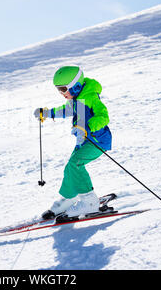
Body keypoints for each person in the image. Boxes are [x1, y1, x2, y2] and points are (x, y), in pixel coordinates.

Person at [34, 66, 112, 220]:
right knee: (70, 167)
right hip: (83, 141)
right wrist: (47, 113)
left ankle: (90, 202)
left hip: (98, 140)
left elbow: (103, 116)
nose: (62, 93)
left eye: (64, 89)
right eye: (59, 90)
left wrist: (87, 127)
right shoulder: (75, 99)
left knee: (76, 165)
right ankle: (70, 198)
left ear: (76, 85)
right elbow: (66, 110)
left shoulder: (90, 97)